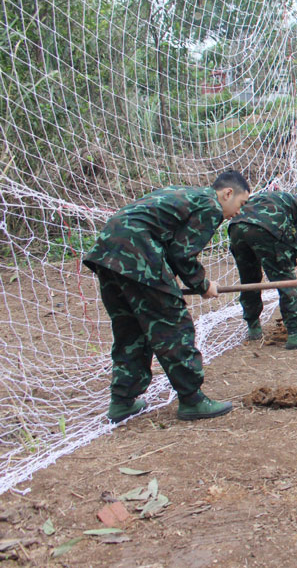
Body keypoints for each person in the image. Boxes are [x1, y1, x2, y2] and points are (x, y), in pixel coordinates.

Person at [84, 171, 251, 423]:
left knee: (130, 329)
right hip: (137, 250)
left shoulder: (186, 195)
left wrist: (172, 277)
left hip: (108, 250)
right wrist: (202, 284)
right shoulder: (210, 205)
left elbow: (166, 238)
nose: (239, 212)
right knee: (172, 323)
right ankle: (192, 399)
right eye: (241, 204)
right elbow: (182, 253)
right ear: (227, 194)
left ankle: (122, 401)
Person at [228, 193, 297, 350]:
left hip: (236, 225)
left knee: (249, 279)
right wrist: (286, 262)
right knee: (286, 281)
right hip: (266, 227)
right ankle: (295, 334)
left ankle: (253, 327)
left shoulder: (285, 200)